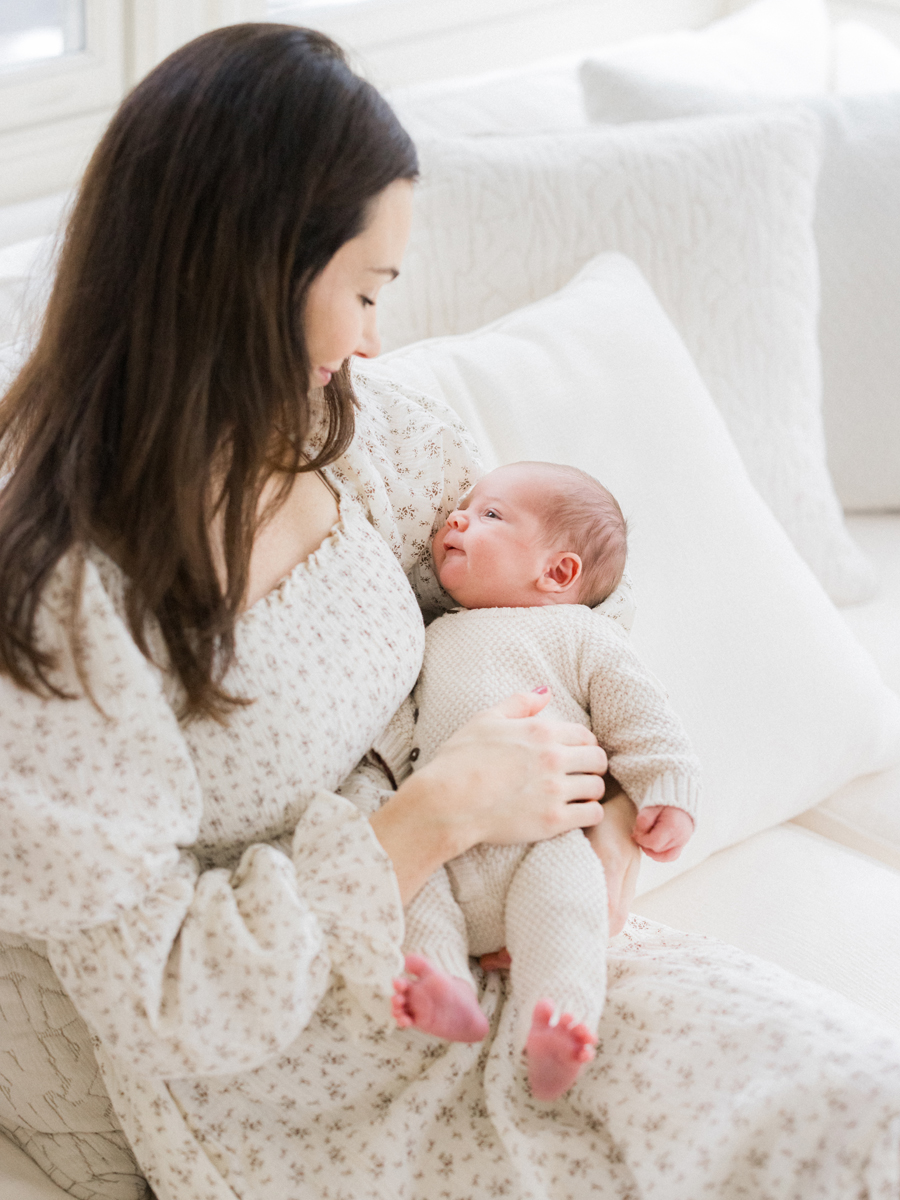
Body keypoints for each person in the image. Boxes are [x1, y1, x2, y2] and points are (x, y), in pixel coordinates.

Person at [0, 22, 899, 1200]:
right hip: (294, 1082)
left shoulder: (343, 439)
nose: (377, 338)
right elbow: (169, 1001)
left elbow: (562, 621)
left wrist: (607, 829)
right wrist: (427, 818)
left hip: (519, 951)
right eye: (363, 291)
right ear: (247, 275)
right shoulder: (68, 612)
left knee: (850, 1105)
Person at [386, 461, 700, 1102]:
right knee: (414, 900)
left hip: (547, 835)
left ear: (558, 572)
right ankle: (441, 986)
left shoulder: (582, 634)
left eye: (490, 515)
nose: (458, 518)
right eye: (464, 508)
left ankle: (559, 1018)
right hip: (439, 839)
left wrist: (668, 792)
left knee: (570, 894)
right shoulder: (427, 636)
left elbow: (643, 717)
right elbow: (394, 735)